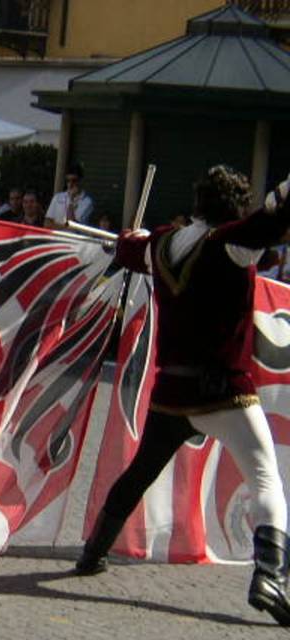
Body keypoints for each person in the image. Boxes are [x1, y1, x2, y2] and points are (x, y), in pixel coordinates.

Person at [75, 165, 290, 627]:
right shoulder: (231, 242)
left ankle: (92, 553)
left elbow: (129, 249)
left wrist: (132, 238)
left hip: (172, 392)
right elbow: (275, 218)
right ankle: (270, 577)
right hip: (225, 392)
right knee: (267, 481)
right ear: (234, 208)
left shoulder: (162, 243)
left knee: (139, 473)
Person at [45, 163, 93, 228]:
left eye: (74, 181)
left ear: (80, 181)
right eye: (68, 181)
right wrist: (64, 226)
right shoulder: (58, 197)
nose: (70, 184)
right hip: (56, 237)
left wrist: (71, 200)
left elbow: (72, 224)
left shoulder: (87, 202)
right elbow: (47, 223)